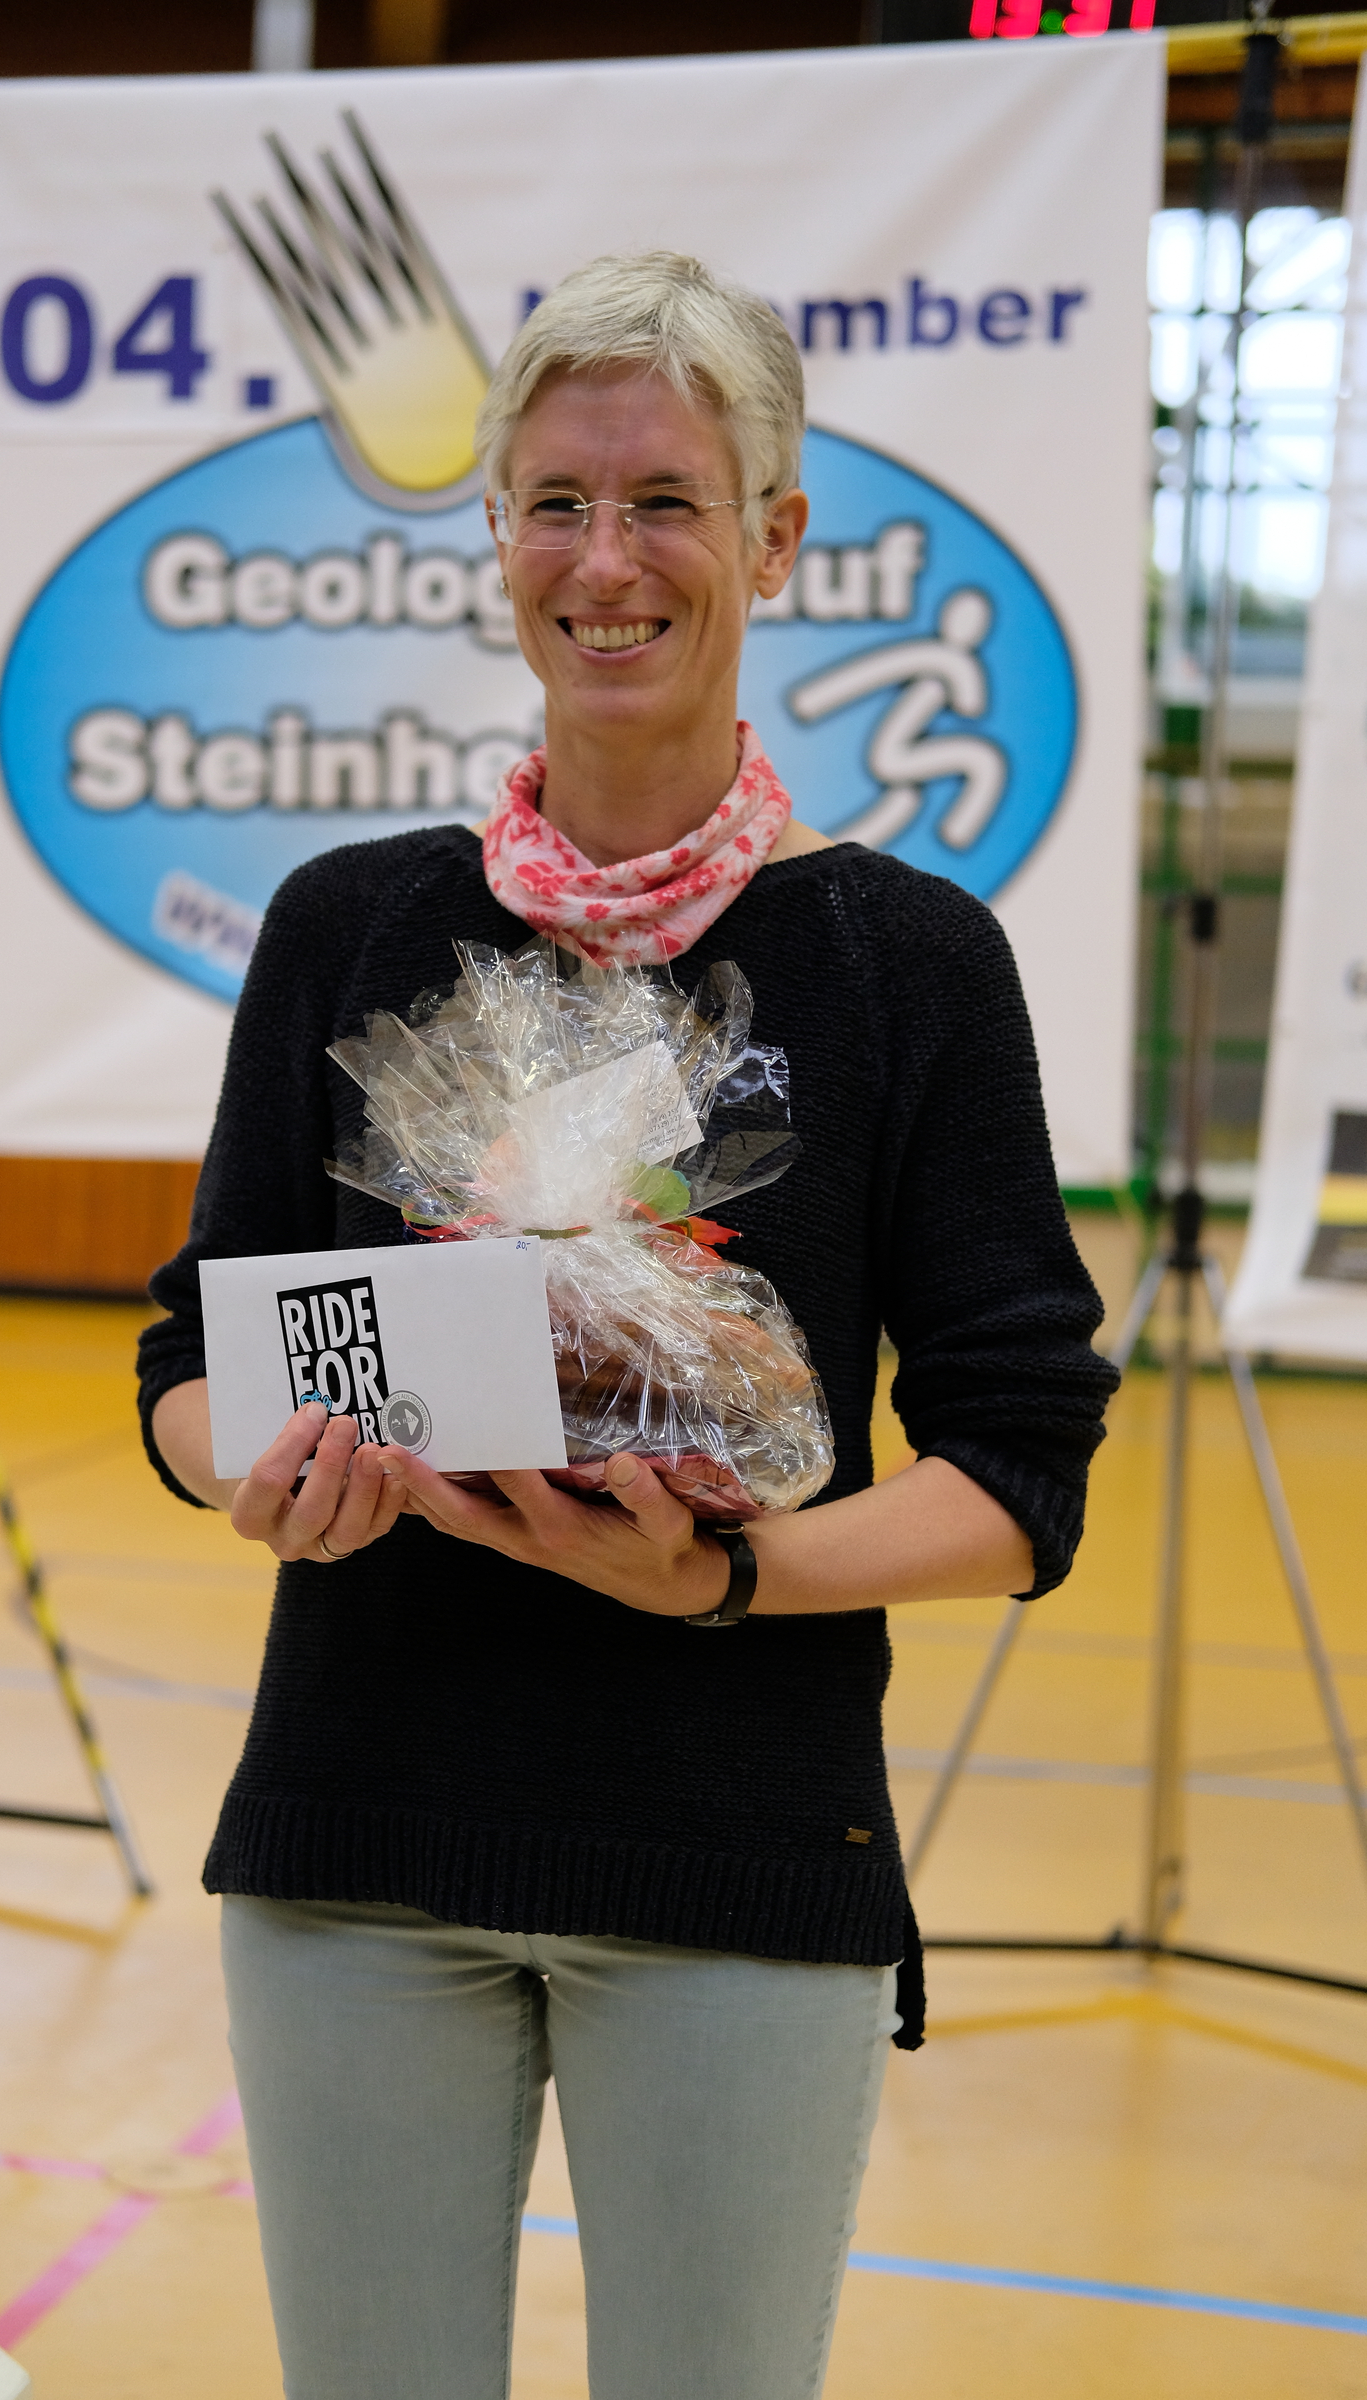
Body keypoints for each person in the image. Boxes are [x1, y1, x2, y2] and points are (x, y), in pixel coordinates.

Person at [139, 251, 1118, 2400]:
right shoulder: (351, 931)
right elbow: (189, 1359)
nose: (606, 562)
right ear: (494, 531)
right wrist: (259, 1474)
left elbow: (1019, 1470)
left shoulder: (904, 963)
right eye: (558, 504)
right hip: (356, 1842)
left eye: (667, 499)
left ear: (774, 537)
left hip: (734, 1856)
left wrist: (727, 1577)